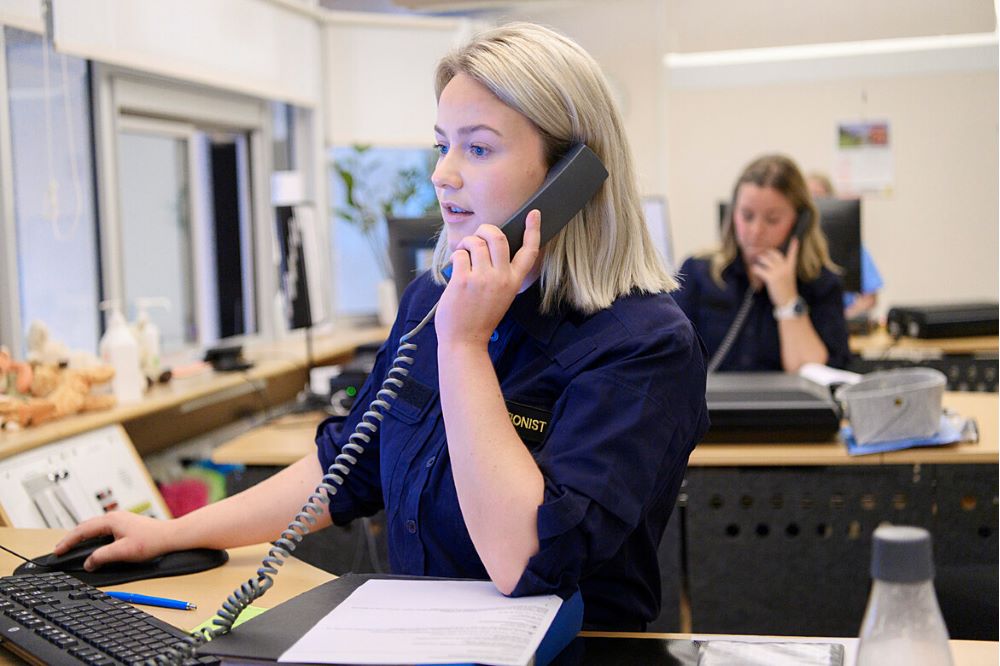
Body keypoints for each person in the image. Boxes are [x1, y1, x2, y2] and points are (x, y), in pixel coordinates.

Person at [56, 23, 709, 632]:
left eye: (477, 147)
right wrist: (174, 532)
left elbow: (526, 562)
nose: (442, 173)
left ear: (572, 178)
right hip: (426, 639)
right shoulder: (435, 296)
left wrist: (463, 346)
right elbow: (349, 464)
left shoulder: (643, 345)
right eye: (441, 144)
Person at [674, 154, 850, 372]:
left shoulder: (821, 283)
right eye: (747, 216)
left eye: (772, 219)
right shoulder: (698, 272)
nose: (756, 231)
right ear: (733, 213)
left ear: (800, 222)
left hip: (788, 406)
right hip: (711, 406)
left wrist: (788, 302)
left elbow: (816, 379)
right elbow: (670, 361)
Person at [805, 171, 884, 321]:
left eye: (818, 196)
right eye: (808, 197)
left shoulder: (850, 245)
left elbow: (870, 298)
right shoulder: (793, 246)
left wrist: (842, 320)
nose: (814, 203)